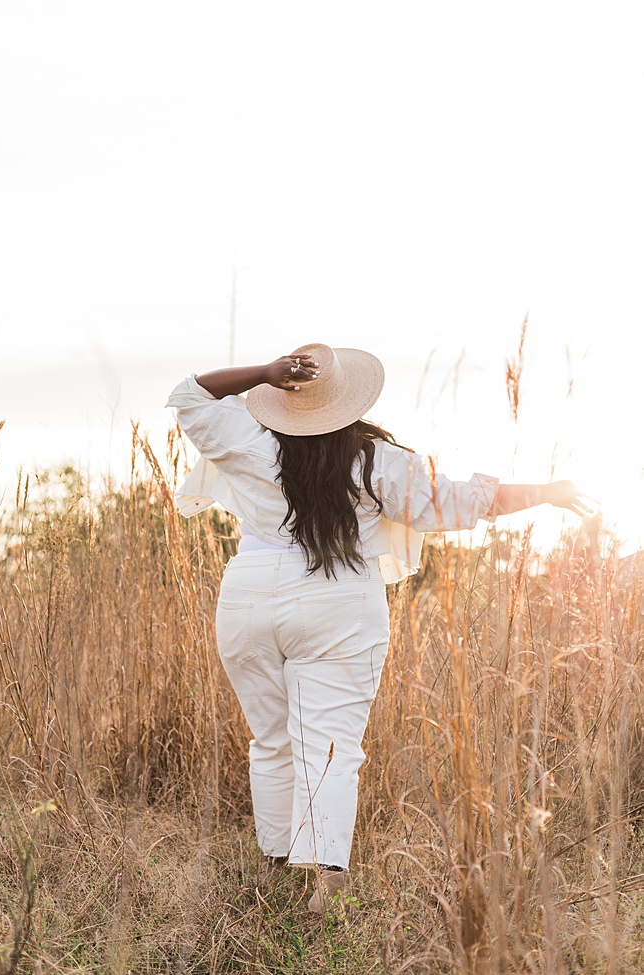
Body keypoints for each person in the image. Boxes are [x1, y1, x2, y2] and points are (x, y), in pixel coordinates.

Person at [166, 343, 589, 913]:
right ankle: (325, 888)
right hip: (338, 596)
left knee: (270, 740)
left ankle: (272, 871)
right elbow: (451, 503)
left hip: (249, 594)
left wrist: (263, 373)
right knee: (331, 745)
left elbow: (189, 393)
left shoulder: (245, 438)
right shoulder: (377, 461)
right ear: (349, 400)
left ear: (282, 395)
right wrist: (543, 493)